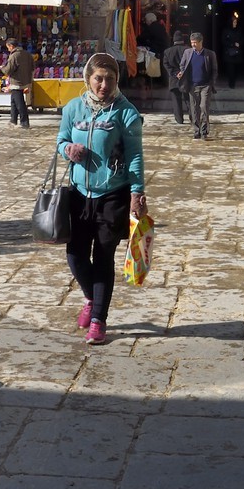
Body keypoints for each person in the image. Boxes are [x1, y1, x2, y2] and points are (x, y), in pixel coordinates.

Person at [56, 53, 146, 346]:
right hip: (80, 194)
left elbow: (134, 156)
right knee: (75, 255)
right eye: (98, 78)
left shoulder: (126, 113)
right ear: (88, 78)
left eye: (109, 79)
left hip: (113, 195)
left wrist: (137, 191)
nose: (103, 85)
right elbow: (60, 141)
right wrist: (68, 148)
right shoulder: (72, 109)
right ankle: (90, 297)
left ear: (116, 80)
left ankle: (98, 319)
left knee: (103, 256)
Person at [177, 31, 219, 140]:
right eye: (192, 42)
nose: (193, 45)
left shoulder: (210, 54)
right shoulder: (188, 53)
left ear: (201, 42)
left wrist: (212, 82)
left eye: (195, 42)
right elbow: (182, 65)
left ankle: (204, 131)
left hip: (205, 85)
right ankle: (196, 131)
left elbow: (214, 70)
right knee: (194, 109)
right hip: (192, 85)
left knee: (204, 107)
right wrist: (182, 72)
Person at [2, 39, 34, 129]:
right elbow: (33, 66)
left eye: (8, 47)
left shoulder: (14, 56)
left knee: (19, 103)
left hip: (16, 82)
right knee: (14, 101)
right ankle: (13, 120)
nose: (8, 49)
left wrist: (2, 68)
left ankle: (24, 122)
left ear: (11, 46)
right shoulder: (27, 54)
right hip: (25, 80)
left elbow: (8, 70)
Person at [162, 30, 191, 124]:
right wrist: (182, 72)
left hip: (174, 79)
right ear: (183, 40)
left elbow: (166, 64)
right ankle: (193, 117)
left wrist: (175, 73)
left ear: (173, 40)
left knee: (176, 101)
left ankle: (179, 120)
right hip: (186, 78)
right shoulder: (188, 50)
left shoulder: (167, 51)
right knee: (189, 100)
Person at [220, 20, 243, 88]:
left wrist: (240, 43)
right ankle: (231, 83)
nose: (235, 24)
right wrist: (232, 44)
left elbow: (242, 39)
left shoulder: (239, 30)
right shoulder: (226, 31)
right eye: (234, 22)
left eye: (236, 22)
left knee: (236, 69)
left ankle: (234, 81)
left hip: (237, 53)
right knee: (230, 69)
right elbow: (223, 41)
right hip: (229, 53)